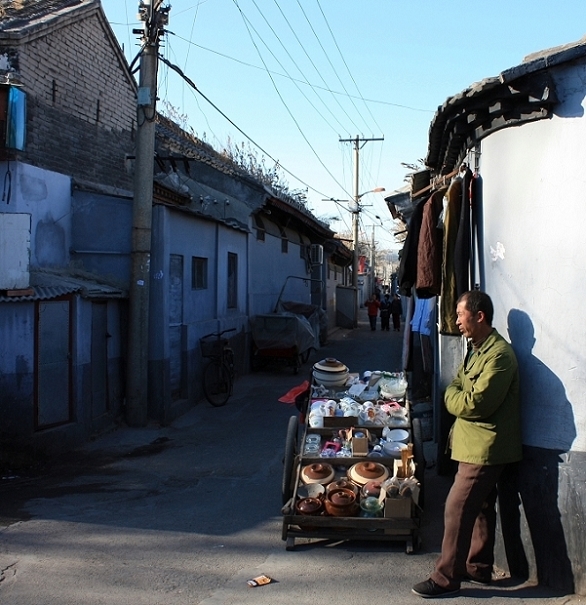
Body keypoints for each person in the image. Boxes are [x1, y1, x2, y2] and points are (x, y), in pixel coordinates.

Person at [412, 290, 522, 598]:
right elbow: (457, 383)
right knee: (482, 507)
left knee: (457, 508)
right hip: (472, 444)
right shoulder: (477, 349)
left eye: (461, 315)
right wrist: (454, 393)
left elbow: (476, 403)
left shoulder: (499, 355)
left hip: (485, 448)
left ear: (479, 316)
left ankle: (446, 577)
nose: (457, 321)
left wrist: (450, 398)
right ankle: (478, 567)